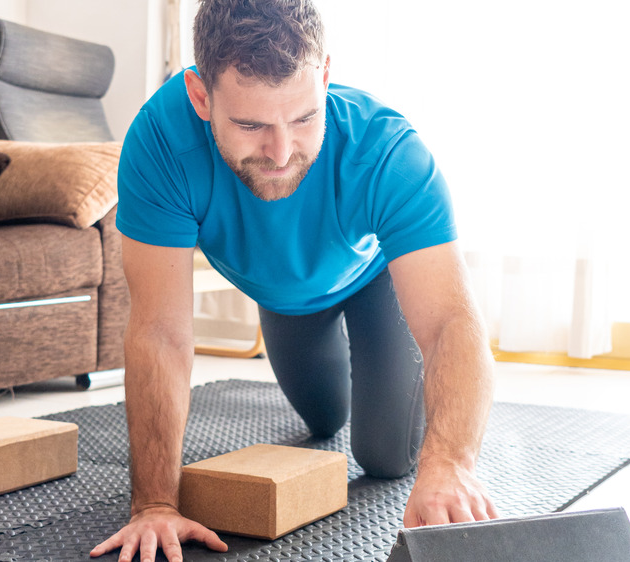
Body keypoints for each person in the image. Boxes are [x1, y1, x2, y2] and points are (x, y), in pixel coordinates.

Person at [91, 1, 498, 560]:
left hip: (374, 280)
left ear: (325, 77)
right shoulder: (160, 144)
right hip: (282, 296)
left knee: (385, 456)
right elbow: (160, 332)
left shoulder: (389, 152)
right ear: (201, 97)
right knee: (324, 419)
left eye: (304, 118)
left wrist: (449, 465)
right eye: (251, 124)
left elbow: (453, 321)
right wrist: (154, 505)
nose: (281, 152)